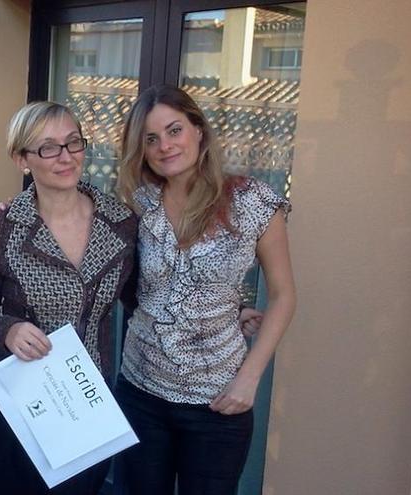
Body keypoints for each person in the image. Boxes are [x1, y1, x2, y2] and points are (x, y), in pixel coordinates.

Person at [114, 85, 296, 495]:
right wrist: (11, 211)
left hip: (218, 402)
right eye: (151, 139)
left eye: (174, 130)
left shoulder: (252, 201)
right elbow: (141, 286)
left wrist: (249, 380)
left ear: (198, 130)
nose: (165, 146)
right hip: (141, 394)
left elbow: (284, 295)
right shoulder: (139, 203)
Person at [0, 101, 138, 495]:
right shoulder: (3, 226)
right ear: (21, 159)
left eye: (73, 142)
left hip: (86, 407)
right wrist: (7, 330)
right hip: (15, 405)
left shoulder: (122, 223)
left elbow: (145, 296)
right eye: (47, 147)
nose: (65, 157)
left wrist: (231, 308)